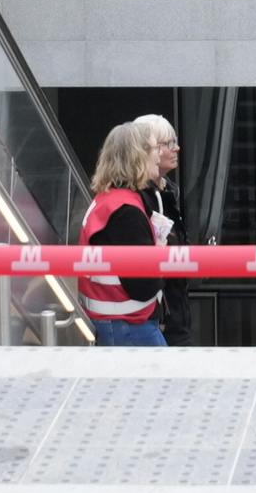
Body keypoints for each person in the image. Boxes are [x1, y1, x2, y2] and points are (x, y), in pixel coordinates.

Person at [74, 113, 182, 345]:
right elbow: (144, 286)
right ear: (138, 157)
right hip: (131, 326)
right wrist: (160, 254)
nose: (158, 156)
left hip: (115, 322)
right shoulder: (127, 213)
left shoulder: (107, 200)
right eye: (154, 149)